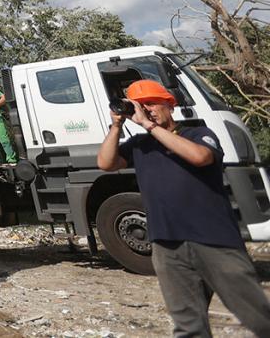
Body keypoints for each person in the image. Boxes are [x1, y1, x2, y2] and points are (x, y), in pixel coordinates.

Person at [97, 79, 270, 337]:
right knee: (188, 325)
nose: (147, 110)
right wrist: (116, 125)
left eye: (153, 104)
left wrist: (149, 125)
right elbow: (105, 163)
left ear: (171, 105)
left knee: (257, 315)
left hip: (214, 241)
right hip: (167, 245)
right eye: (141, 106)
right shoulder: (140, 145)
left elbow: (200, 157)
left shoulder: (199, 133)